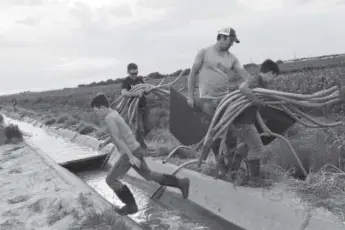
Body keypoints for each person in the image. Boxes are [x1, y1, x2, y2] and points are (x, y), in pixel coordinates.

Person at [186, 26, 268, 182]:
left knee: (232, 134)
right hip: (208, 100)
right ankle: (222, 167)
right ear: (222, 38)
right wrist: (190, 97)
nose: (231, 44)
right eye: (230, 41)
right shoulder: (204, 52)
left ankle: (232, 168)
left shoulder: (232, 58)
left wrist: (259, 86)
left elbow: (244, 75)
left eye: (233, 42)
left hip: (225, 100)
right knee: (216, 133)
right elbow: (192, 74)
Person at [91, 93, 190, 215]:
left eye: (96, 111)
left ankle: (131, 206)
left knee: (111, 180)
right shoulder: (114, 113)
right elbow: (121, 133)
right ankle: (181, 183)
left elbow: (118, 138)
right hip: (135, 149)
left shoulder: (109, 118)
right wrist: (106, 142)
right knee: (149, 175)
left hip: (129, 153)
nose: (97, 114)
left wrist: (131, 157)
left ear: (102, 108)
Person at [121, 63, 149, 149]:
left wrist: (147, 89)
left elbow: (146, 90)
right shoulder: (126, 81)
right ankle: (140, 147)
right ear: (128, 72)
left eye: (136, 73)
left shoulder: (140, 79)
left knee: (148, 127)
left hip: (144, 106)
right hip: (134, 108)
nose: (134, 75)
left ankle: (140, 143)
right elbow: (124, 93)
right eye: (132, 74)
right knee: (139, 128)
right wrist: (137, 94)